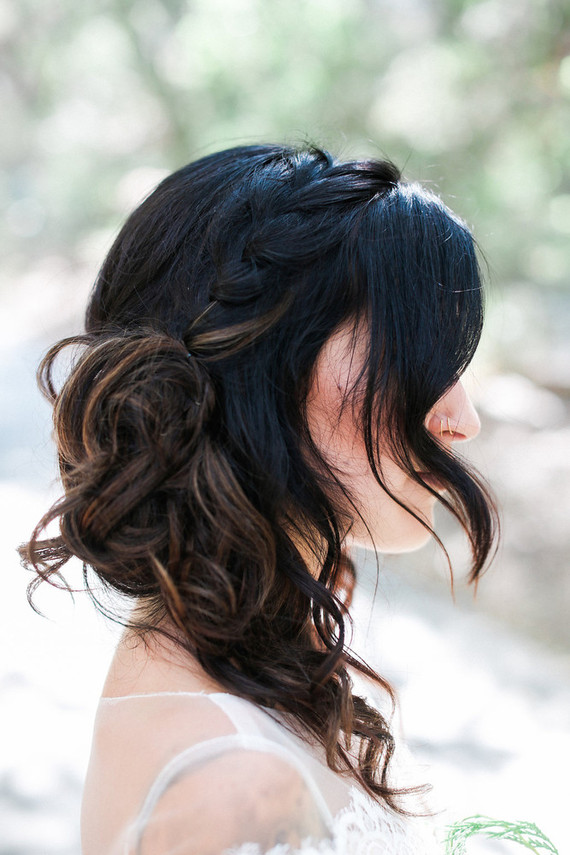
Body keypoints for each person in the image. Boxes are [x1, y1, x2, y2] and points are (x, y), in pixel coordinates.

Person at [22, 144, 498, 854]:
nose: (464, 418)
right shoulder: (238, 788)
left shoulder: (224, 657)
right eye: (420, 355)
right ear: (271, 364)